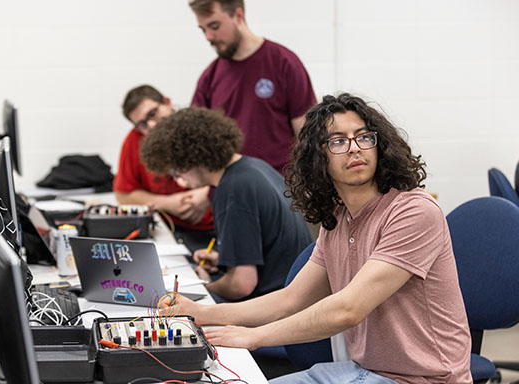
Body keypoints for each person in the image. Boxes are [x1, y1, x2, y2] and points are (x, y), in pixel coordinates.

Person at [158, 94, 473, 383]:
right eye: (337, 141)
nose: (354, 148)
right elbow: (290, 299)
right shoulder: (338, 217)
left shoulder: (413, 211)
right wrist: (205, 313)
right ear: (318, 157)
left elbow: (348, 308)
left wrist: (254, 336)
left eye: (363, 137)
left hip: (424, 379)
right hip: (364, 371)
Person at [140, 107, 312, 302]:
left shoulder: (232, 190)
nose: (180, 182)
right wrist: (226, 259)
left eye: (176, 173)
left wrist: (206, 286)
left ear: (191, 160)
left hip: (274, 305)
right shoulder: (254, 166)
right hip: (294, 293)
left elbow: (242, 285)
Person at [189, 0, 316, 173]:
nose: (208, 37)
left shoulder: (283, 62)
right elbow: (196, 138)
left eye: (214, 26)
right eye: (203, 29)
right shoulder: (210, 77)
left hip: (281, 188)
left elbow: (306, 132)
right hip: (229, 188)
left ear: (238, 16)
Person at [113, 85, 214, 248]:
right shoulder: (134, 141)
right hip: (168, 231)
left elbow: (239, 175)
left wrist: (209, 194)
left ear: (167, 103)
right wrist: (167, 203)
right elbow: (123, 194)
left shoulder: (202, 130)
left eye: (153, 113)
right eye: (142, 124)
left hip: (215, 230)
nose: (152, 125)